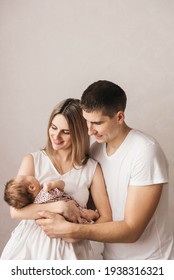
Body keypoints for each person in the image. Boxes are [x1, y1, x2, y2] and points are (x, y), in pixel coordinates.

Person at [36, 80, 174, 260]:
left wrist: (75, 231)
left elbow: (132, 230)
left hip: (152, 262)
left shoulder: (145, 151)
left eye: (97, 123)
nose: (90, 131)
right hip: (110, 260)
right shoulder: (96, 151)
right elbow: (91, 208)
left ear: (119, 117)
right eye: (86, 121)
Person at [0, 98, 112, 260]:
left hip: (72, 251)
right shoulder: (33, 160)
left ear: (79, 134)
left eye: (65, 132)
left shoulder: (92, 169)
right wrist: (60, 206)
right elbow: (15, 212)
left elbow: (106, 217)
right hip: (30, 249)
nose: (56, 136)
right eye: (53, 128)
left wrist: (79, 233)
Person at [4, 175, 97, 223]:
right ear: (32, 187)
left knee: (84, 215)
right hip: (73, 210)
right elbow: (62, 185)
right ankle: (95, 215)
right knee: (87, 214)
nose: (27, 175)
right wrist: (54, 184)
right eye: (25, 177)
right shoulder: (46, 189)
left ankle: (93, 215)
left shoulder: (36, 204)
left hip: (63, 219)